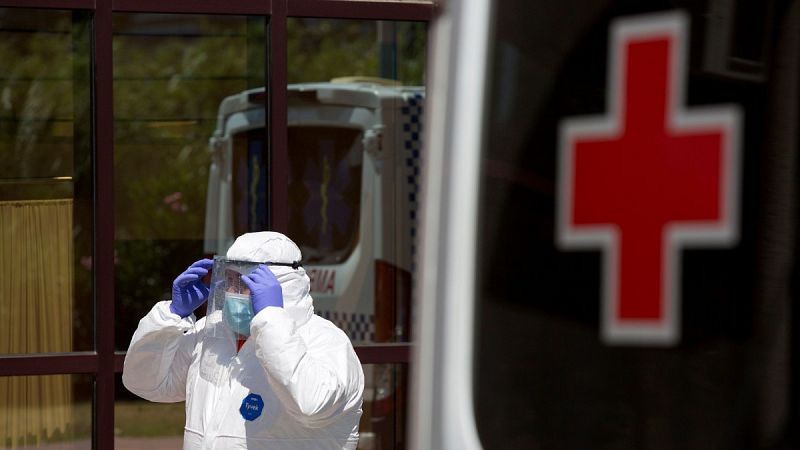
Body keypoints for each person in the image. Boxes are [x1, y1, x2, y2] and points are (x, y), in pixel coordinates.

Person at [122, 231, 364, 449]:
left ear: (281, 285)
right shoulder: (213, 333)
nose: (233, 293)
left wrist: (270, 318)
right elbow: (145, 382)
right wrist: (172, 316)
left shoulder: (326, 341)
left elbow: (312, 406)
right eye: (229, 280)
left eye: (246, 283)